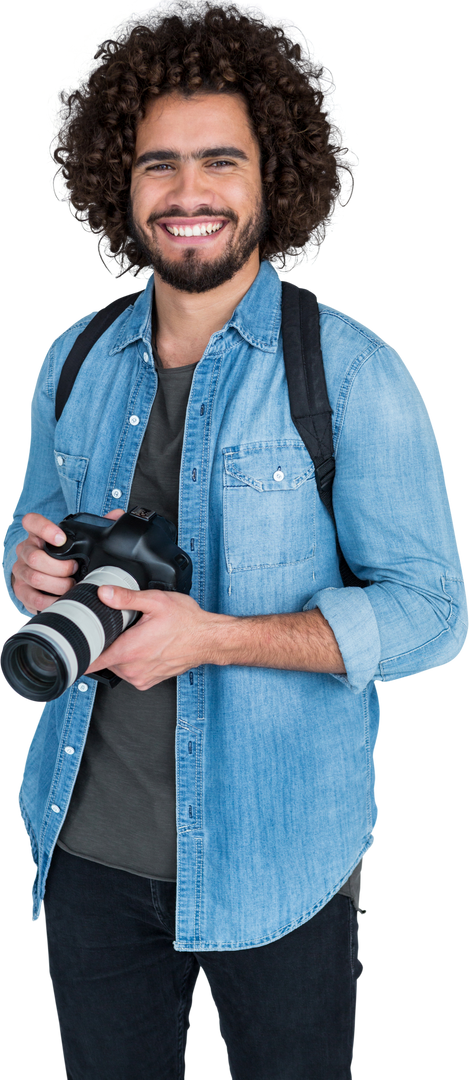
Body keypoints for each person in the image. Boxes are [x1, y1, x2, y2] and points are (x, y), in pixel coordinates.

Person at [1, 2, 467, 1078]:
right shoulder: (73, 357)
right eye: (158, 163)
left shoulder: (350, 373)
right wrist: (26, 571)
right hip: (82, 847)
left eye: (221, 160)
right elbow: (18, 539)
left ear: (274, 178)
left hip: (279, 860)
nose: (189, 192)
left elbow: (434, 614)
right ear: (118, 181)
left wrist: (211, 637)